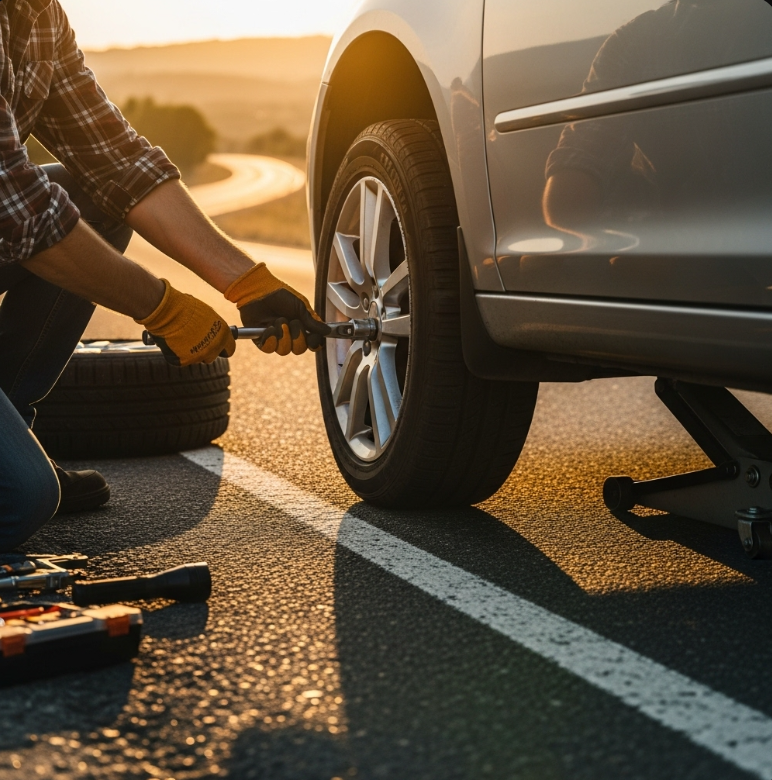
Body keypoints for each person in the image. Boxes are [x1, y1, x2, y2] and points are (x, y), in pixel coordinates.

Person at [0, 0, 329, 551]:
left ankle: (14, 427)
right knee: (19, 498)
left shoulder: (37, 16)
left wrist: (245, 281)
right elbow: (20, 213)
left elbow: (119, 164)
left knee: (92, 204)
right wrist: (163, 308)